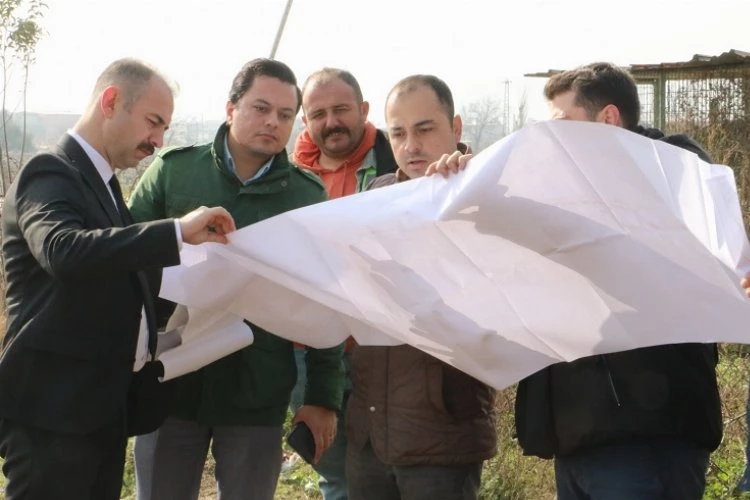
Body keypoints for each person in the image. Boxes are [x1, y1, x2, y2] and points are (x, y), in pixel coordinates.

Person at [0, 58, 235, 500]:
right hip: (52, 418)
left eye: (165, 128)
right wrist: (175, 232)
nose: (158, 140)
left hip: (98, 414)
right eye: (153, 122)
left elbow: (117, 272)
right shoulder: (49, 172)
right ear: (110, 101)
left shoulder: (104, 185)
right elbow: (63, 250)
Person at [127, 58, 345, 500]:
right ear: (231, 109)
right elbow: (126, 263)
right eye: (260, 108)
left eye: (285, 114)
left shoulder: (306, 196)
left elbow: (324, 300)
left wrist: (323, 396)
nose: (272, 122)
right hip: (170, 382)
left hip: (256, 389)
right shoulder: (174, 170)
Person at [514, 62, 721, 500]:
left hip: (647, 439)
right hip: (576, 437)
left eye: (563, 125)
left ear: (608, 119)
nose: (553, 142)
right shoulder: (566, 190)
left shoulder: (677, 173)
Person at [345, 74, 496, 500]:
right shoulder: (375, 196)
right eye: (398, 133)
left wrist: (464, 195)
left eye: (424, 129)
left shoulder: (484, 193)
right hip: (369, 436)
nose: (411, 145)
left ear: (456, 127)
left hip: (442, 433)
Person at [289, 67, 398, 500]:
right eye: (318, 114)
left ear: (364, 110)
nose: (331, 122)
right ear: (305, 120)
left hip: (382, 347)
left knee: (390, 469)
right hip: (307, 351)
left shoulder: (396, 161)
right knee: (334, 473)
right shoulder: (287, 175)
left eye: (341, 110)